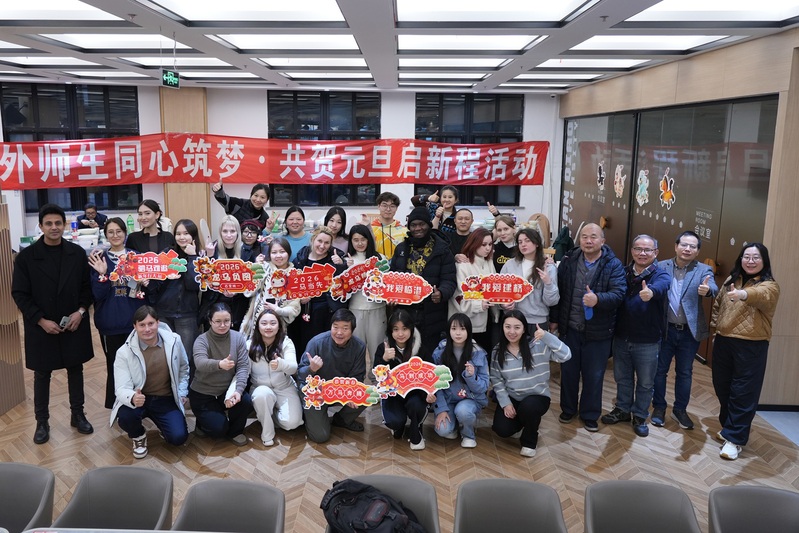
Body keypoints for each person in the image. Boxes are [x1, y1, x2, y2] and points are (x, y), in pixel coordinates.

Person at [12, 203, 95, 444]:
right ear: (40, 226)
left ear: (65, 225)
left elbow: (87, 288)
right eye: (48, 223)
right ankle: (42, 421)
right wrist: (40, 320)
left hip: (73, 322)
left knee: (75, 369)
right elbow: (19, 294)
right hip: (41, 325)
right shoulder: (26, 257)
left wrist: (81, 311)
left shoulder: (77, 253)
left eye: (58, 223)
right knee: (42, 374)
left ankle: (78, 414)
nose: (54, 227)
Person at [550, 223, 625, 432]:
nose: (588, 241)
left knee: (594, 375)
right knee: (568, 372)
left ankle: (590, 414)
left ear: (603, 241)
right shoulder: (569, 260)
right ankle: (568, 409)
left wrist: (598, 299)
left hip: (598, 332)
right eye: (584, 237)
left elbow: (619, 294)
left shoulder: (613, 264)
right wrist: (555, 320)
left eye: (593, 237)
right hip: (570, 328)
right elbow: (559, 292)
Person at [711, 243, 779, 460]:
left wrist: (742, 294)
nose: (750, 261)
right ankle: (728, 428)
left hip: (751, 345)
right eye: (746, 256)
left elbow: (760, 296)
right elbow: (718, 307)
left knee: (743, 392)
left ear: (764, 261)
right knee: (722, 387)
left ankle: (735, 439)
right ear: (740, 259)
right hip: (724, 341)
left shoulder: (769, 286)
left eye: (756, 257)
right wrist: (715, 331)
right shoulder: (731, 280)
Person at [600, 235, 670, 437]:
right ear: (632, 251)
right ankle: (622, 409)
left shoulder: (661, 275)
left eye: (647, 250)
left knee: (646, 382)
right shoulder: (622, 272)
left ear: (656, 252)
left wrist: (651, 293)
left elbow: (662, 287)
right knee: (622, 378)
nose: (642, 253)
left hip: (648, 340)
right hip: (621, 337)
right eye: (638, 249)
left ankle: (639, 415)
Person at [651, 231, 718, 430]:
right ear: (676, 246)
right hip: (665, 329)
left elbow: (713, 287)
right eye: (684, 245)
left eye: (692, 246)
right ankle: (659, 407)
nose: (687, 249)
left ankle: (680, 410)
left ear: (697, 251)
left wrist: (708, 290)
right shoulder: (660, 266)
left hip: (689, 332)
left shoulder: (703, 269)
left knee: (685, 372)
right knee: (659, 370)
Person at [110, 306, 189, 459]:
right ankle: (138, 436)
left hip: (166, 398)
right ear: (135, 326)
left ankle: (164, 427)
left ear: (158, 322)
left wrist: (182, 392)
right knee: (125, 417)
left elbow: (183, 368)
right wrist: (133, 397)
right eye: (142, 325)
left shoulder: (174, 341)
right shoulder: (123, 352)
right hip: (139, 399)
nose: (147, 329)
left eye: (151, 323)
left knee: (178, 438)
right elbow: (121, 387)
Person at [490, 311, 571, 457]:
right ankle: (524, 423)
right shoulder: (498, 350)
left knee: (529, 408)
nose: (512, 332)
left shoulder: (538, 345)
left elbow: (566, 355)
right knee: (502, 429)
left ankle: (529, 441)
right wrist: (506, 403)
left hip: (537, 396)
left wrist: (547, 336)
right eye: (507, 327)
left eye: (517, 327)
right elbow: (496, 379)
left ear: (524, 329)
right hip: (514, 397)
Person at [88, 217, 146, 409]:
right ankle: (117, 405)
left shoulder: (137, 257)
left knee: (139, 365)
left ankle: (140, 404)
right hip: (110, 323)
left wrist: (144, 282)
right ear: (105, 235)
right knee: (115, 365)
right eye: (110, 232)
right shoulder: (99, 259)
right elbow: (97, 295)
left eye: (118, 231)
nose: (115, 235)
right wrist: (102, 275)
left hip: (136, 323)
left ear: (125, 233)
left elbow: (145, 292)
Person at [390, 206, 457, 359]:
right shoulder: (401, 249)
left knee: (430, 357)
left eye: (422, 224)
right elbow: (392, 277)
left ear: (429, 225)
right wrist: (391, 295)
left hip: (432, 313)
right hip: (405, 313)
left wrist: (442, 293)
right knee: (405, 356)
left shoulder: (442, 250)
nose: (418, 228)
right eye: (413, 225)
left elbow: (449, 279)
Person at [297, 309, 367, 443]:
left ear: (352, 330)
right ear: (331, 327)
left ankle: (342, 420)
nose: (339, 332)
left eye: (345, 328)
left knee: (368, 395)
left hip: (339, 390)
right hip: (316, 392)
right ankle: (311, 416)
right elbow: (300, 374)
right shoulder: (316, 342)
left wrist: (352, 392)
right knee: (320, 436)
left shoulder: (359, 347)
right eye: (335, 327)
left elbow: (358, 376)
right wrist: (311, 369)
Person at [190, 303, 253, 446]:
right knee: (218, 430)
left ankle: (235, 432)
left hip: (227, 390)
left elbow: (243, 367)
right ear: (210, 321)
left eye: (226, 321)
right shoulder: (202, 339)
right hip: (203, 393)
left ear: (231, 321)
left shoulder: (238, 338)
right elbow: (200, 363)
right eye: (218, 321)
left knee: (246, 401)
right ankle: (202, 423)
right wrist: (219, 364)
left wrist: (238, 391)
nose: (223, 325)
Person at [144, 219, 202, 363]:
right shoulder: (167, 254)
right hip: (164, 312)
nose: (182, 237)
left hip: (187, 314)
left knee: (185, 357)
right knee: (166, 356)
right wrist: (150, 281)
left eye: (186, 234)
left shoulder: (200, 256)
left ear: (193, 236)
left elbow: (193, 284)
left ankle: (185, 380)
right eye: (178, 234)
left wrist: (192, 257)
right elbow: (155, 284)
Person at [374, 310, 431, 450]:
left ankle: (416, 428)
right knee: (395, 422)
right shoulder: (383, 348)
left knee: (416, 405)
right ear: (390, 331)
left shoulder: (421, 348)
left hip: (415, 395)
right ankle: (398, 426)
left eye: (404, 329)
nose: (400, 334)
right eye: (396, 329)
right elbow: (377, 377)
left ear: (411, 329)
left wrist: (428, 394)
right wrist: (384, 359)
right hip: (393, 395)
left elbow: (430, 375)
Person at [431, 313, 489, 448]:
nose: (458, 333)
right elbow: (435, 384)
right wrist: (441, 409)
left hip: (470, 399)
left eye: (462, 329)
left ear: (469, 331)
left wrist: (471, 377)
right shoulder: (439, 352)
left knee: (463, 412)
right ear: (448, 331)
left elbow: (484, 386)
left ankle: (468, 434)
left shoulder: (478, 353)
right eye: (454, 328)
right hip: (448, 400)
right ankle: (455, 424)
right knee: (443, 430)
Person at [248, 308, 303, 446]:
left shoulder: (286, 342)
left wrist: (281, 364)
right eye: (264, 323)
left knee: (292, 423)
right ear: (257, 326)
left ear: (279, 326)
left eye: (273, 323)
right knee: (262, 394)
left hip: (284, 387)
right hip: (260, 388)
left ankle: (266, 414)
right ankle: (267, 433)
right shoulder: (249, 345)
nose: (268, 327)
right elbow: (243, 372)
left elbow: (293, 367)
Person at [291, 226, 346, 352]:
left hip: (327, 310)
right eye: (319, 241)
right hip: (305, 310)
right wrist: (299, 298)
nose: (322, 246)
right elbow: (292, 284)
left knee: (325, 346)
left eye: (327, 243)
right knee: (304, 345)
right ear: (313, 240)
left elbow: (343, 285)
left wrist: (341, 265)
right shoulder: (300, 259)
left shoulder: (335, 259)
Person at [240, 237, 301, 342]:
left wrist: (278, 310)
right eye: (274, 252)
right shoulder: (263, 267)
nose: (278, 256)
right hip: (256, 320)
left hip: (279, 323)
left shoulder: (294, 275)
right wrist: (257, 268)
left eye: (282, 252)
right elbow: (248, 291)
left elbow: (295, 308)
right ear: (269, 254)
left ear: (289, 253)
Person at [346, 224, 387, 376]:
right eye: (355, 240)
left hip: (377, 308)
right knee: (356, 348)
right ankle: (357, 379)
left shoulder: (380, 258)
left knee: (377, 346)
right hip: (355, 309)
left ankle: (378, 378)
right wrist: (346, 268)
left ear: (369, 240)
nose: (360, 243)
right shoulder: (347, 259)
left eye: (363, 239)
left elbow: (387, 283)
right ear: (351, 241)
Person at [449, 228, 498, 353]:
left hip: (487, 320)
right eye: (484, 244)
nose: (488, 248)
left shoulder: (489, 262)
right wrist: (479, 305)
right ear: (474, 244)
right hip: (466, 323)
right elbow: (458, 297)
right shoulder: (462, 266)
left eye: (490, 244)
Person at [500, 227, 559, 331]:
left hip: (537, 322)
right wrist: (503, 304)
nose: (523, 244)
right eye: (520, 242)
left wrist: (548, 283)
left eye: (527, 241)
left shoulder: (548, 267)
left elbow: (552, 302)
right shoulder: (509, 265)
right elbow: (499, 292)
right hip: (513, 320)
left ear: (536, 243)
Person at [200, 215, 249, 330]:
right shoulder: (212, 249)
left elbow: (251, 282)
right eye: (225, 231)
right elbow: (203, 279)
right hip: (214, 302)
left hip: (238, 306)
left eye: (232, 231)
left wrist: (236, 291)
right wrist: (209, 256)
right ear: (220, 232)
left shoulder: (246, 252)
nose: (229, 235)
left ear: (238, 233)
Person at [367, 191, 406, 259]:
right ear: (378, 206)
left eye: (392, 206)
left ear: (396, 208)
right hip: (375, 264)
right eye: (384, 206)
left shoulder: (404, 231)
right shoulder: (370, 229)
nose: (388, 209)